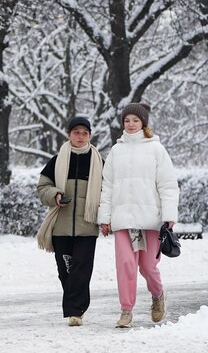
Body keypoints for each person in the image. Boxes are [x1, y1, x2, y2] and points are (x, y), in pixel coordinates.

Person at [97, 102, 179, 329]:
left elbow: (168, 185)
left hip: (151, 219)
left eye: (135, 120)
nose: (131, 124)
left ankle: (157, 294)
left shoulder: (156, 149)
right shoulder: (116, 150)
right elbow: (108, 186)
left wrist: (169, 215)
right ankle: (126, 311)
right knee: (125, 264)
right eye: (127, 120)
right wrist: (104, 218)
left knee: (148, 267)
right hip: (123, 219)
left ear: (143, 122)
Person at [36, 116, 104, 327]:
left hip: (87, 226)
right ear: (69, 135)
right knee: (65, 270)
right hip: (61, 227)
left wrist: (106, 217)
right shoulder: (57, 160)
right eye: (76, 133)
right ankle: (74, 306)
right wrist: (55, 194)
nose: (80, 137)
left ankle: (76, 312)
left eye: (84, 133)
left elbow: (108, 190)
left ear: (90, 136)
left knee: (82, 270)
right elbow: (42, 187)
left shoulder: (99, 161)